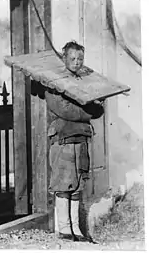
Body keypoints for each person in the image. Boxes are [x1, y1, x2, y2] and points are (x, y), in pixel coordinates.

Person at [44, 41, 104, 242]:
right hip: (64, 138)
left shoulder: (83, 82)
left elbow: (99, 108)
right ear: (64, 59)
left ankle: (76, 229)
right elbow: (65, 110)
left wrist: (92, 108)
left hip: (81, 138)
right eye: (72, 58)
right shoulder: (54, 83)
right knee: (64, 182)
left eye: (80, 59)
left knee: (77, 184)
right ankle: (64, 228)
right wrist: (89, 110)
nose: (77, 62)